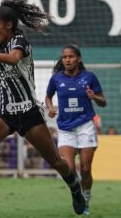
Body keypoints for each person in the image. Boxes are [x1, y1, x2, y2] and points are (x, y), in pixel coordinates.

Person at [0, 0, 85, 215]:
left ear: (9, 25)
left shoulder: (20, 41)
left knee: (55, 161)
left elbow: (14, 59)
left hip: (29, 110)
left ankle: (74, 187)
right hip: (4, 110)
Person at [45, 44, 107, 215]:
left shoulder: (89, 77)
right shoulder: (56, 79)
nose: (67, 60)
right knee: (69, 170)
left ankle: (86, 197)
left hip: (86, 126)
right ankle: (77, 194)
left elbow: (104, 102)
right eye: (65, 57)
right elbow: (48, 96)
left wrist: (94, 97)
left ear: (78, 59)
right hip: (65, 128)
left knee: (85, 169)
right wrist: (50, 107)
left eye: (71, 57)